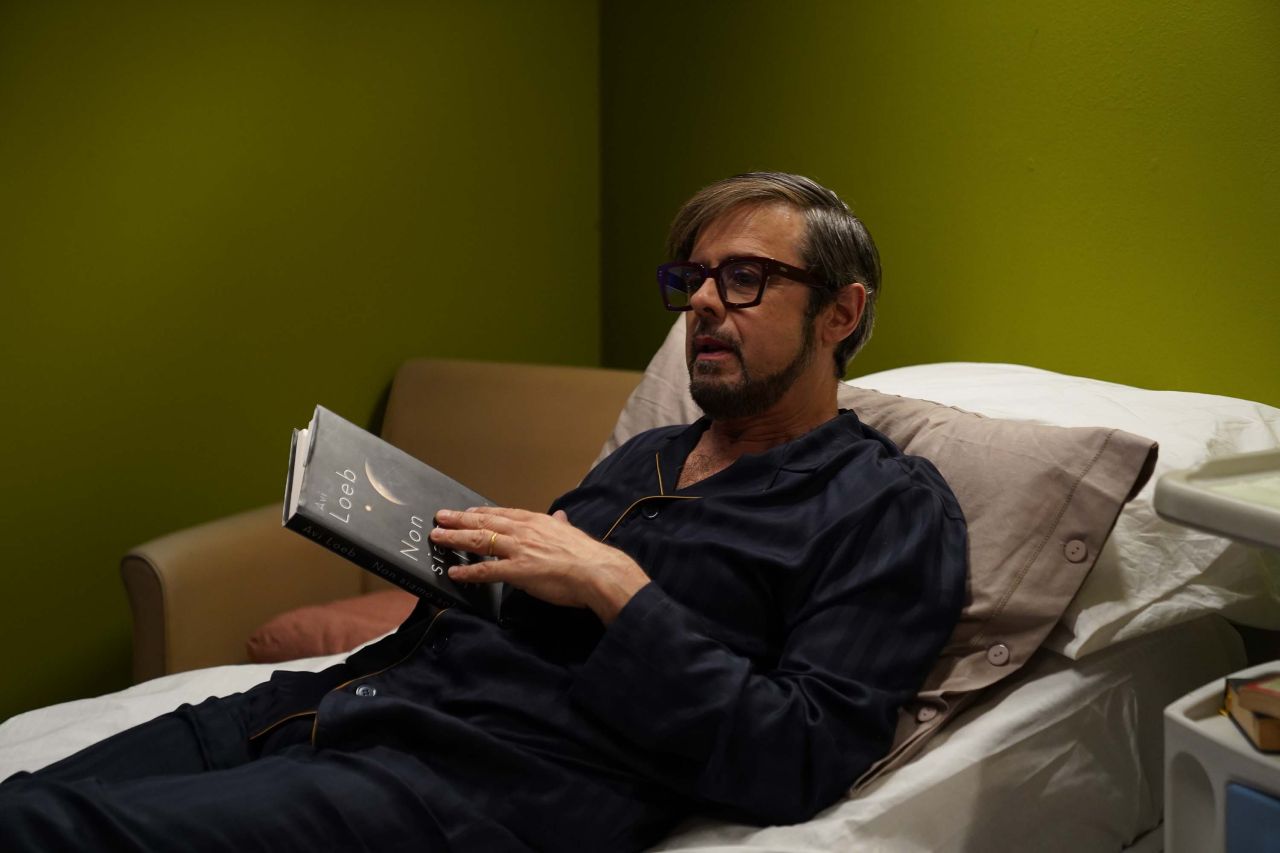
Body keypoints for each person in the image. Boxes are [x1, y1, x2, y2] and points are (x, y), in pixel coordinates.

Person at [0, 172, 966, 852]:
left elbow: (798, 754)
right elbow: (524, 604)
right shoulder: (649, 454)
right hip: (324, 707)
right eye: (691, 280)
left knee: (39, 832)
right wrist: (446, 547)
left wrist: (618, 589)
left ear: (840, 313)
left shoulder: (884, 508)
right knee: (22, 798)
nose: (704, 304)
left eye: (744, 277)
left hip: (464, 789)